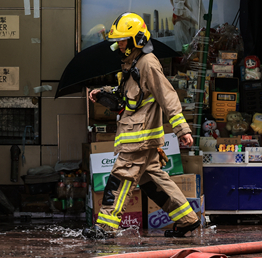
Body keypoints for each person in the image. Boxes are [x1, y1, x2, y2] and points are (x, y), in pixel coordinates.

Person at [85, 13, 200, 239]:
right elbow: (127, 99)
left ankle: (105, 227)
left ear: (136, 39)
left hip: (139, 138)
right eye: (118, 41)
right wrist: (103, 94)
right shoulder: (131, 65)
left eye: (123, 40)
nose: (119, 45)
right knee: (153, 180)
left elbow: (168, 97)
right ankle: (187, 220)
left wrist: (182, 130)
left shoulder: (148, 63)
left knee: (121, 176)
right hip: (138, 136)